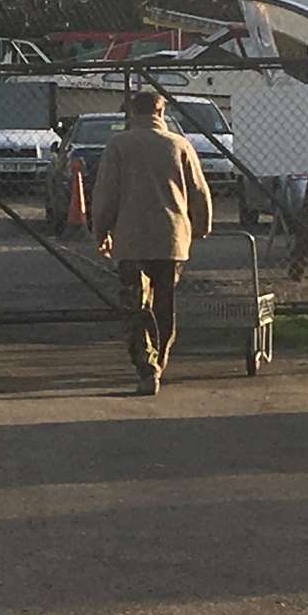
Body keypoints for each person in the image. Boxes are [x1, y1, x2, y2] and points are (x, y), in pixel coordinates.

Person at [91, 92, 213, 395]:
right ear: (162, 110)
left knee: (136, 305)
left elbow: (106, 193)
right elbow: (200, 190)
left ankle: (146, 365)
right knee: (165, 304)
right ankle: (161, 357)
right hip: (171, 238)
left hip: (132, 239)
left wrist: (101, 230)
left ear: (132, 111)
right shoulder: (179, 145)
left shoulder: (119, 145)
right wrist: (201, 226)